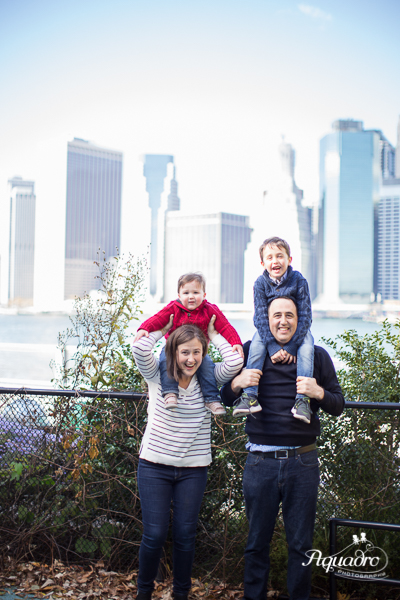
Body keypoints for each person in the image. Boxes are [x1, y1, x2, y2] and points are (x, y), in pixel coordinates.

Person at [221, 297, 345, 600]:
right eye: (277, 315)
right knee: (256, 542)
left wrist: (318, 392)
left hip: (302, 462)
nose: (283, 321)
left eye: (290, 315)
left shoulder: (316, 356)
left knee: (301, 545)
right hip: (259, 462)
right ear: (267, 319)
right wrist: (238, 381)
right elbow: (224, 396)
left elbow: (338, 404)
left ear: (299, 319)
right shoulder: (251, 351)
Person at [132, 315, 244, 600]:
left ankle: (181, 594)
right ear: (174, 352)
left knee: (184, 536)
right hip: (154, 466)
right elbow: (139, 349)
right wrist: (163, 329)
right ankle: (143, 593)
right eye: (185, 352)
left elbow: (233, 362)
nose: (191, 359)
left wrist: (213, 334)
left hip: (193, 470)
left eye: (197, 352)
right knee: (155, 535)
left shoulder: (208, 379)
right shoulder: (158, 375)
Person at [135, 272, 243, 415]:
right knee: (166, 362)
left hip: (199, 352)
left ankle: (211, 399)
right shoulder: (173, 308)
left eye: (195, 292)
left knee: (207, 368)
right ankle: (170, 394)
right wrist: (144, 328)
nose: (191, 296)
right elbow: (158, 319)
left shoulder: (209, 310)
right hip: (172, 349)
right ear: (179, 296)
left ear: (204, 295)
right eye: (186, 293)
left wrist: (235, 342)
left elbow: (225, 326)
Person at [233, 237, 314, 424]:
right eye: (269, 257)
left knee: (308, 349)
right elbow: (260, 318)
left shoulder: (299, 280)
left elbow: (305, 316)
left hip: (298, 333)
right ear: (263, 263)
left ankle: (302, 400)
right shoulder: (260, 283)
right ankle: (250, 396)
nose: (275, 261)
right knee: (255, 346)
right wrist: (273, 347)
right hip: (268, 333)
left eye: (280, 256)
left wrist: (292, 346)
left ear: (289, 259)